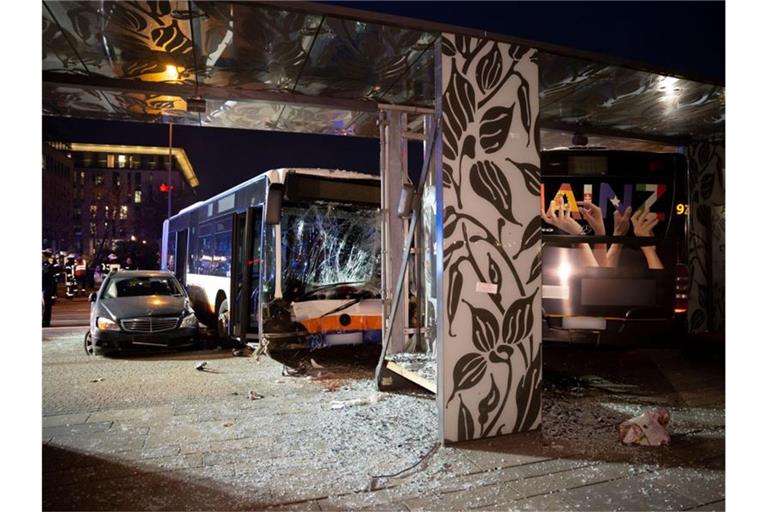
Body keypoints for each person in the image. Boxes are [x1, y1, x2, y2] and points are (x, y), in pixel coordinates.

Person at [42, 249, 59, 327]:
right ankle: (45, 321)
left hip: (47, 286)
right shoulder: (48, 263)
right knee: (45, 305)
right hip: (46, 286)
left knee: (46, 304)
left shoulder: (49, 264)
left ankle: (45, 321)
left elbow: (49, 274)